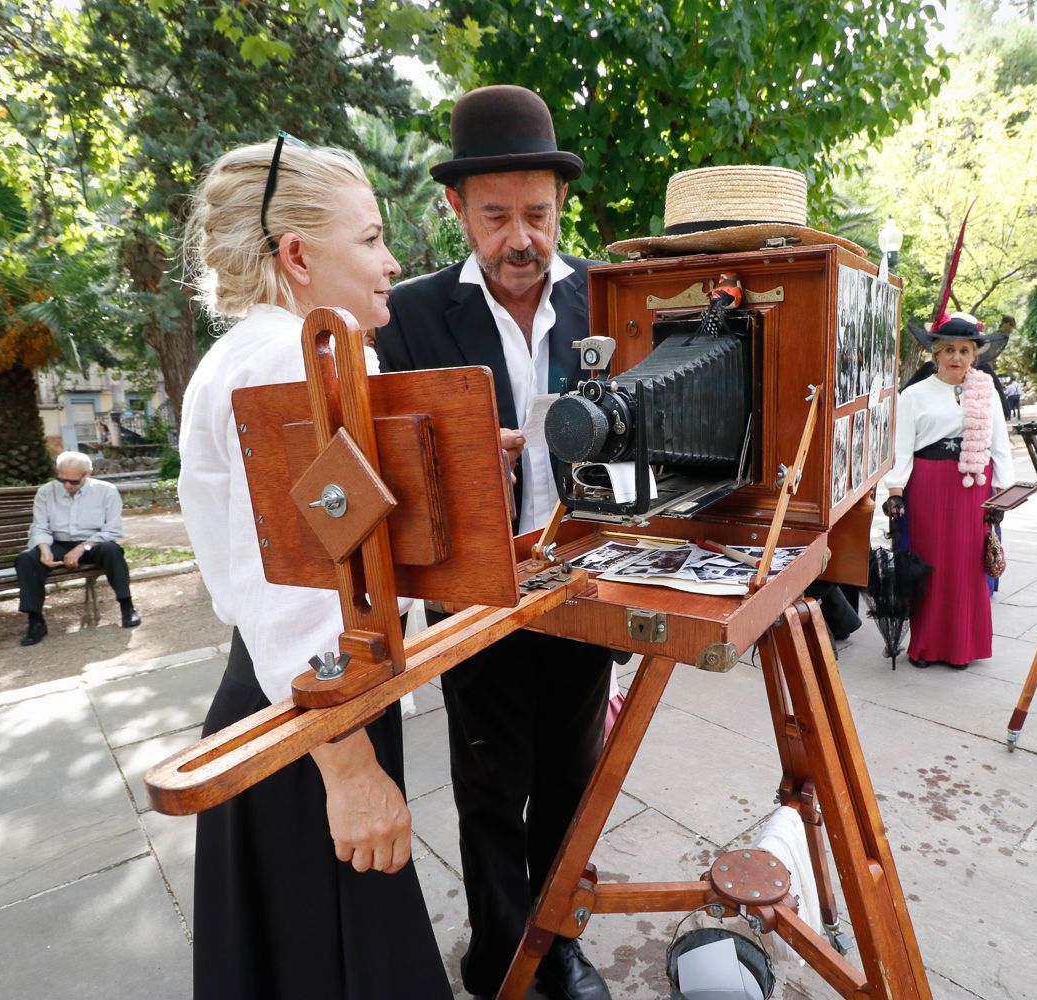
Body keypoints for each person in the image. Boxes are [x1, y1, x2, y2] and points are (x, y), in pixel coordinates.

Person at [178, 135, 450, 1000]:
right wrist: (350, 768)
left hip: (299, 700)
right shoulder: (291, 362)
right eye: (370, 239)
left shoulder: (262, 354)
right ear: (296, 255)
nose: (391, 261)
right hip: (311, 710)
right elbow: (291, 593)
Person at [375, 85, 613, 1000]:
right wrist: (470, 455)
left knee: (571, 775)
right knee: (486, 781)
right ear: (456, 209)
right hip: (472, 587)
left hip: (585, 577)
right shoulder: (405, 316)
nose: (522, 240)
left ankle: (558, 943)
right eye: (498, 217)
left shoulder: (608, 295)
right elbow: (385, 464)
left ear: (562, 208)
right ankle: (502, 951)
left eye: (540, 217)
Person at [882, 313, 1014, 668]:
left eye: (965, 350)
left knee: (968, 567)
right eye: (950, 349)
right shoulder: (915, 394)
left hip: (975, 487)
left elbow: (1000, 443)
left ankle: (962, 647)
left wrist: (1002, 494)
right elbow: (901, 447)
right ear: (936, 353)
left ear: (974, 355)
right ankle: (925, 646)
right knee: (931, 565)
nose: (957, 357)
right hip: (929, 485)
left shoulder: (986, 392)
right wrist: (895, 492)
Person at [14, 450, 140, 645]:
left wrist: (82, 547)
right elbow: (39, 526)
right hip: (58, 543)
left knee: (112, 551)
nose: (66, 485)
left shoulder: (106, 491)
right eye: (61, 479)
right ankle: (35, 620)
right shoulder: (46, 492)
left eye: (73, 481)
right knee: (26, 559)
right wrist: (44, 548)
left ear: (88, 474)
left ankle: (127, 606)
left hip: (93, 543)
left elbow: (113, 530)